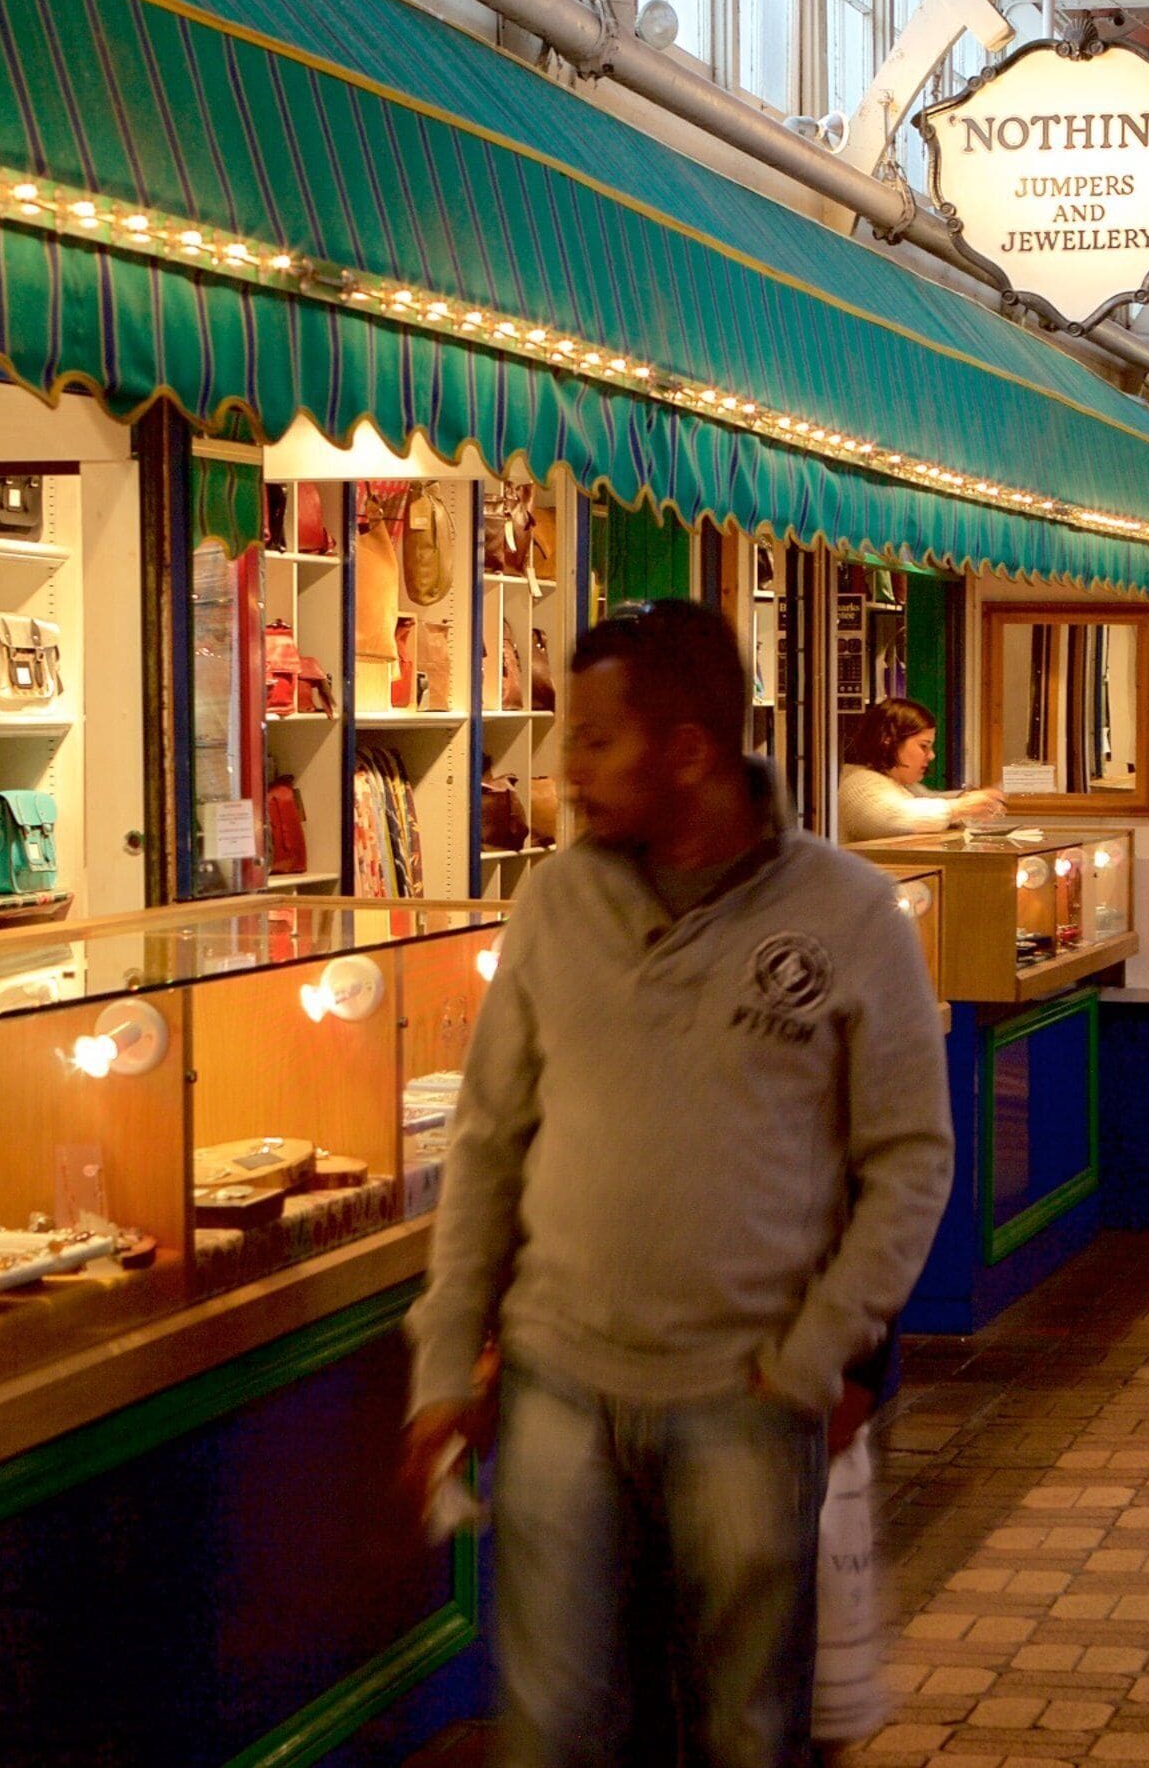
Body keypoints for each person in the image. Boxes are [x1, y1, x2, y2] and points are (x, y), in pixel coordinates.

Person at [405, 600, 954, 1768]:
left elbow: (910, 1157)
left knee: (744, 1730)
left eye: (596, 739)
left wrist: (819, 1353)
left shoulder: (849, 914)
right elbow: (491, 1138)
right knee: (555, 1731)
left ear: (692, 751)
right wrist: (447, 1363)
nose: (566, 769)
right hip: (558, 1388)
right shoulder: (556, 901)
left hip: (745, 1398)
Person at [834, 694, 1004, 842]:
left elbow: (928, 798)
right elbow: (891, 816)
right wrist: (961, 807)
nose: (931, 756)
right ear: (888, 740)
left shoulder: (900, 784)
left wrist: (971, 799)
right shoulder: (859, 782)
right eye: (923, 746)